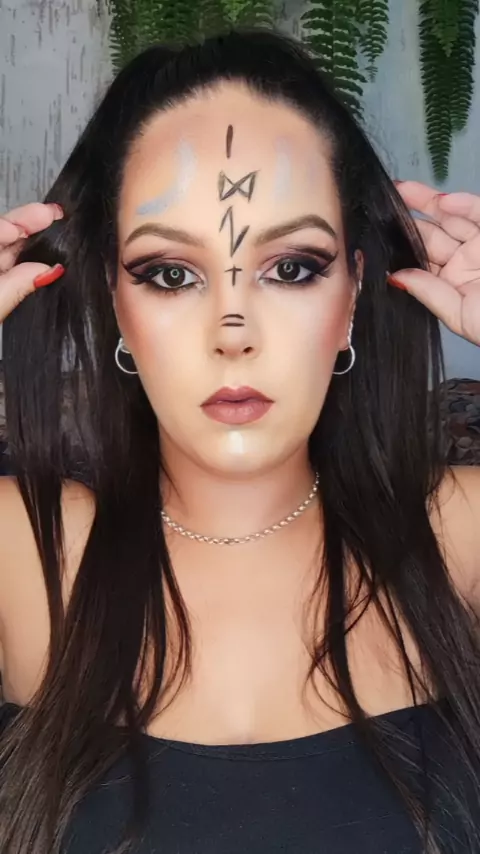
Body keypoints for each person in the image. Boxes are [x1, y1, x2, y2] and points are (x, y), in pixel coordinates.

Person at [0, 25, 479, 854]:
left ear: (353, 294)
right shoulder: (24, 552)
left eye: (291, 268)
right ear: (113, 301)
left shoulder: (459, 533)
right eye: (170, 274)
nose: (233, 333)